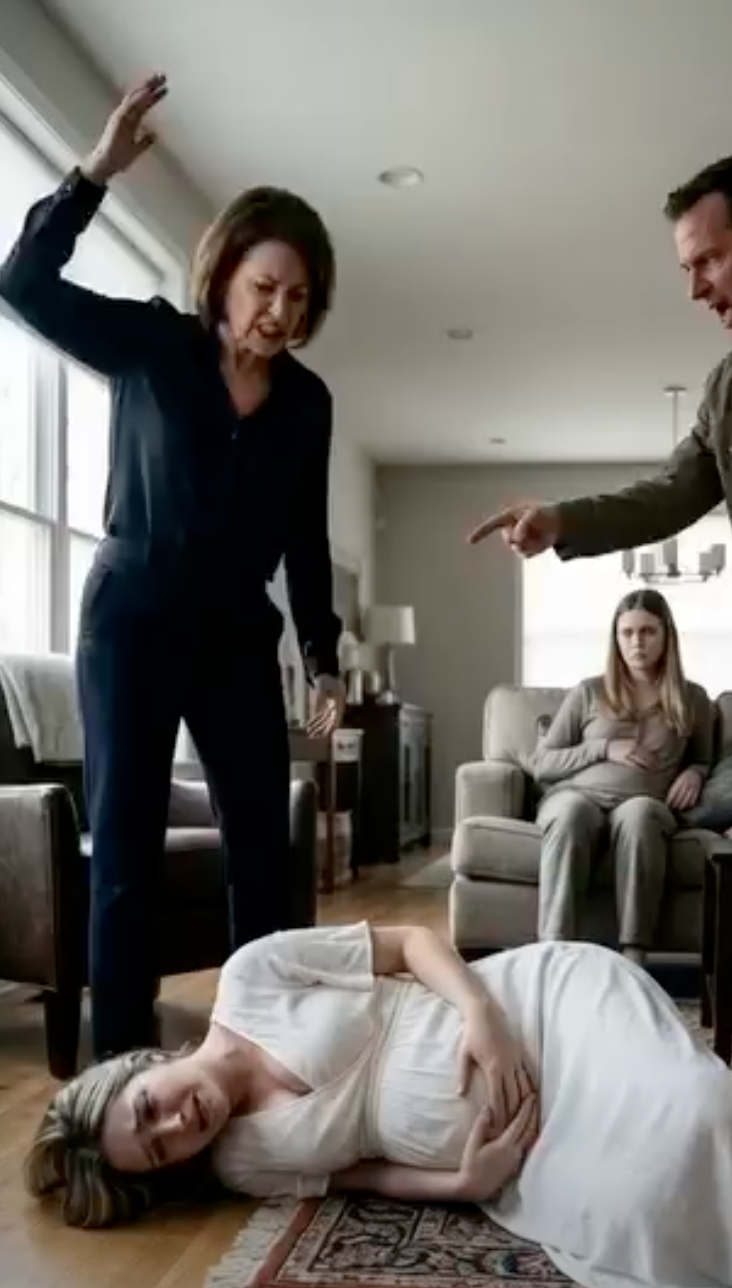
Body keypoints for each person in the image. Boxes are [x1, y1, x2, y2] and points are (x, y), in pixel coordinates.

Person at [469, 153, 732, 1108]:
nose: (694, 289)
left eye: (707, 261)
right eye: (687, 269)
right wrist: (564, 521)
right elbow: (673, 491)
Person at [0, 74, 347, 1060]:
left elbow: (307, 539)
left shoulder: (307, 403)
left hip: (237, 634)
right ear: (224, 273)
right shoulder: (153, 342)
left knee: (263, 849)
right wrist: (95, 172)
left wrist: (323, 657)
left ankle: (259, 1054)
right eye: (264, 286)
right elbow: (21, 285)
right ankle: (121, 1073)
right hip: (133, 622)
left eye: (297, 296)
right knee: (124, 854)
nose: (278, 310)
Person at [24, 920, 732, 1288]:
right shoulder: (242, 1164)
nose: (178, 1126)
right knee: (646, 1224)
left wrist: (482, 1016)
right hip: (524, 1150)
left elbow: (408, 942)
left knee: (701, 1120)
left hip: (533, 1017)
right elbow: (362, 1178)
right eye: (162, 1149)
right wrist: (465, 1183)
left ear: (144, 1065)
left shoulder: (252, 976)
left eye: (149, 1109)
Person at [529, 588, 711, 961]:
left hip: (644, 802)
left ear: (666, 636)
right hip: (578, 796)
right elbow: (542, 763)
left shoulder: (692, 698)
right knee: (571, 813)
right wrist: (604, 748)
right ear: (616, 639)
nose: (636, 642)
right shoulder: (588, 692)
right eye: (627, 633)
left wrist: (696, 771)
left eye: (647, 631)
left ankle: (634, 956)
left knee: (641, 815)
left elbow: (706, 757)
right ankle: (553, 952)